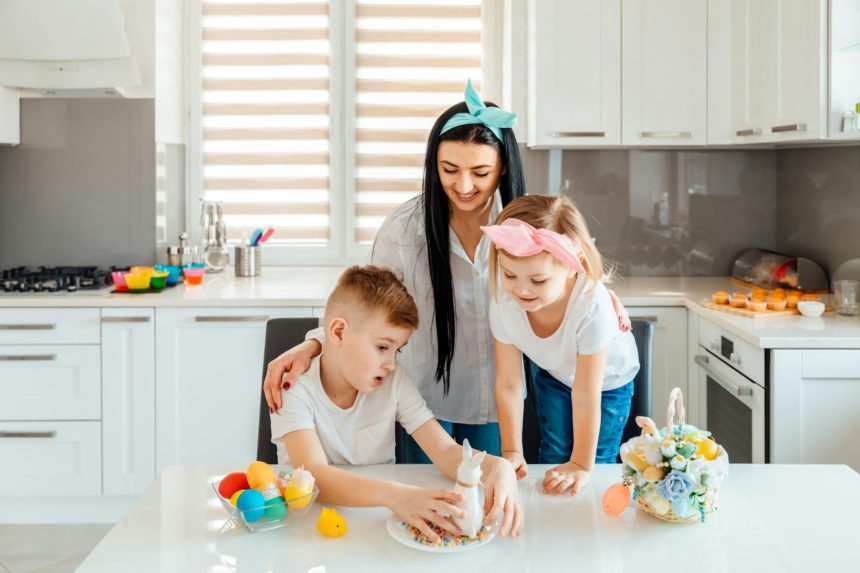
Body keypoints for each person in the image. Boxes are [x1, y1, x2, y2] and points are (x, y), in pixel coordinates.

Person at [263, 80, 630, 461]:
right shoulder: (404, 228)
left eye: (480, 172)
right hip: (422, 401)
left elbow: (572, 277)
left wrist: (598, 295)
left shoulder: (526, 229)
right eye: (449, 169)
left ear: (503, 169)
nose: (464, 185)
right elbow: (367, 306)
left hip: (498, 403)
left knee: (489, 505)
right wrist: (316, 343)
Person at [271, 265, 523, 541]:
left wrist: (496, 467)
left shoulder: (393, 381)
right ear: (339, 333)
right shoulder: (294, 388)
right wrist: (395, 494)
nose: (391, 364)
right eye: (382, 347)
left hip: (376, 527)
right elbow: (315, 477)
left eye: (396, 350)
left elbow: (444, 451)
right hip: (309, 532)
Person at [483, 195, 639, 497]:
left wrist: (580, 464)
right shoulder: (503, 301)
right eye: (509, 274)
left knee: (596, 464)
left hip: (606, 385)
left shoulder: (592, 306)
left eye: (538, 280)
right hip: (554, 371)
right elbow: (509, 383)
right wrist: (512, 451)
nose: (521, 289)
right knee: (554, 457)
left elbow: (586, 394)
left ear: (572, 266)